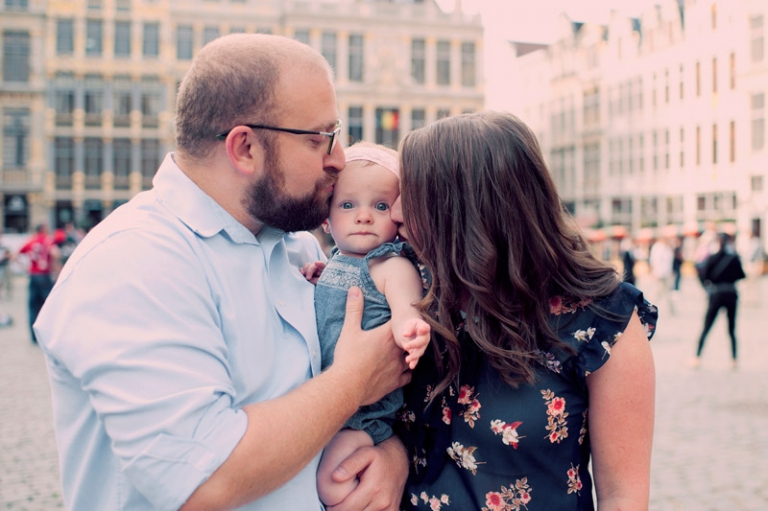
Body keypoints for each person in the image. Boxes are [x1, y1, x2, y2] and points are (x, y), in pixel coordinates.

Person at [33, 33, 410, 511]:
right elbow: (204, 478)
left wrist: (391, 457)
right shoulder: (133, 261)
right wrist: (356, 379)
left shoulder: (295, 247)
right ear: (245, 148)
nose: (339, 159)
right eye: (320, 139)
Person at [391, 111, 657, 510]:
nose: (394, 211)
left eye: (411, 195)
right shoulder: (411, 293)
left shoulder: (602, 319)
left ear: (465, 207)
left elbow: (624, 496)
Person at [301, 141, 431, 507]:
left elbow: (407, 307)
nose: (363, 216)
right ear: (327, 218)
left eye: (380, 206)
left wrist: (411, 328)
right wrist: (320, 276)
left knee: (332, 484)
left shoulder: (390, 265)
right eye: (348, 205)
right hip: (327, 403)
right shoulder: (336, 260)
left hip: (361, 416)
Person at [691, 232, 746, 369]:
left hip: (716, 294)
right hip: (731, 294)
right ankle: (734, 360)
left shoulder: (712, 258)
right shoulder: (734, 258)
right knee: (731, 329)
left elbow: (703, 275)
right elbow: (741, 275)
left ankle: (697, 357)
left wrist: (706, 287)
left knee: (706, 327)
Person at [18, 223, 57, 343]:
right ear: (44, 229)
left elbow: (17, 253)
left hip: (33, 275)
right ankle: (48, 333)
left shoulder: (31, 241)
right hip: (44, 275)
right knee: (49, 305)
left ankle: (34, 336)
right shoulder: (47, 240)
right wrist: (56, 269)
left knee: (32, 306)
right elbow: (55, 253)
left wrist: (25, 267)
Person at [649, 236, 675, 315]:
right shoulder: (658, 248)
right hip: (660, 273)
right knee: (662, 291)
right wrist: (654, 272)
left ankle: (651, 306)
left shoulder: (666, 248)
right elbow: (654, 260)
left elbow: (669, 262)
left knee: (662, 291)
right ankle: (650, 306)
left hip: (666, 272)